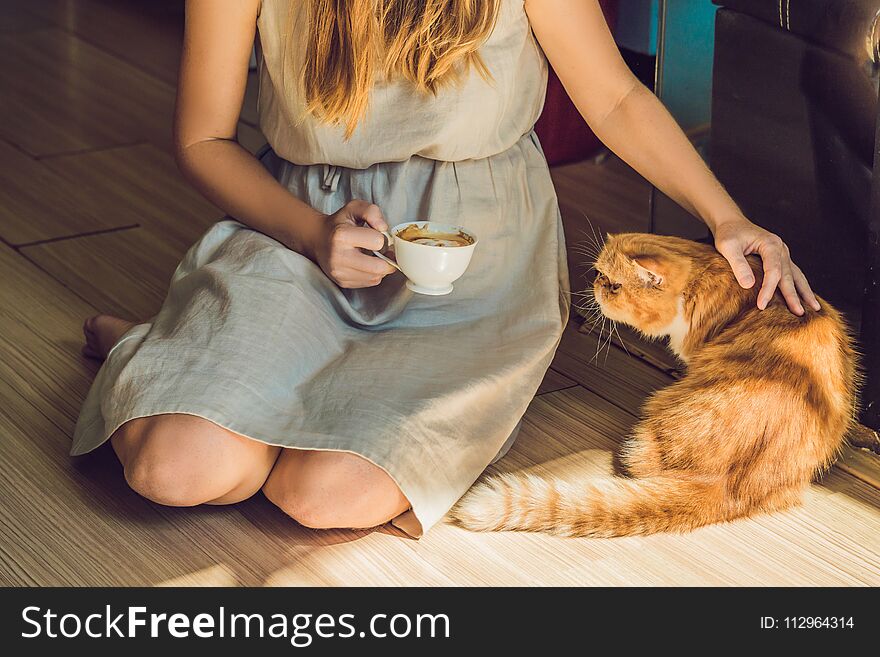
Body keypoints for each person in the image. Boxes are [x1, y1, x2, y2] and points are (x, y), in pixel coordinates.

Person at [73, 0, 818, 537]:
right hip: (303, 224)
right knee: (175, 471)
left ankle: (198, 366)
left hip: (475, 251)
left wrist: (726, 217)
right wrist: (311, 233)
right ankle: (159, 353)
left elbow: (615, 96)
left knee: (320, 494)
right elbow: (203, 138)